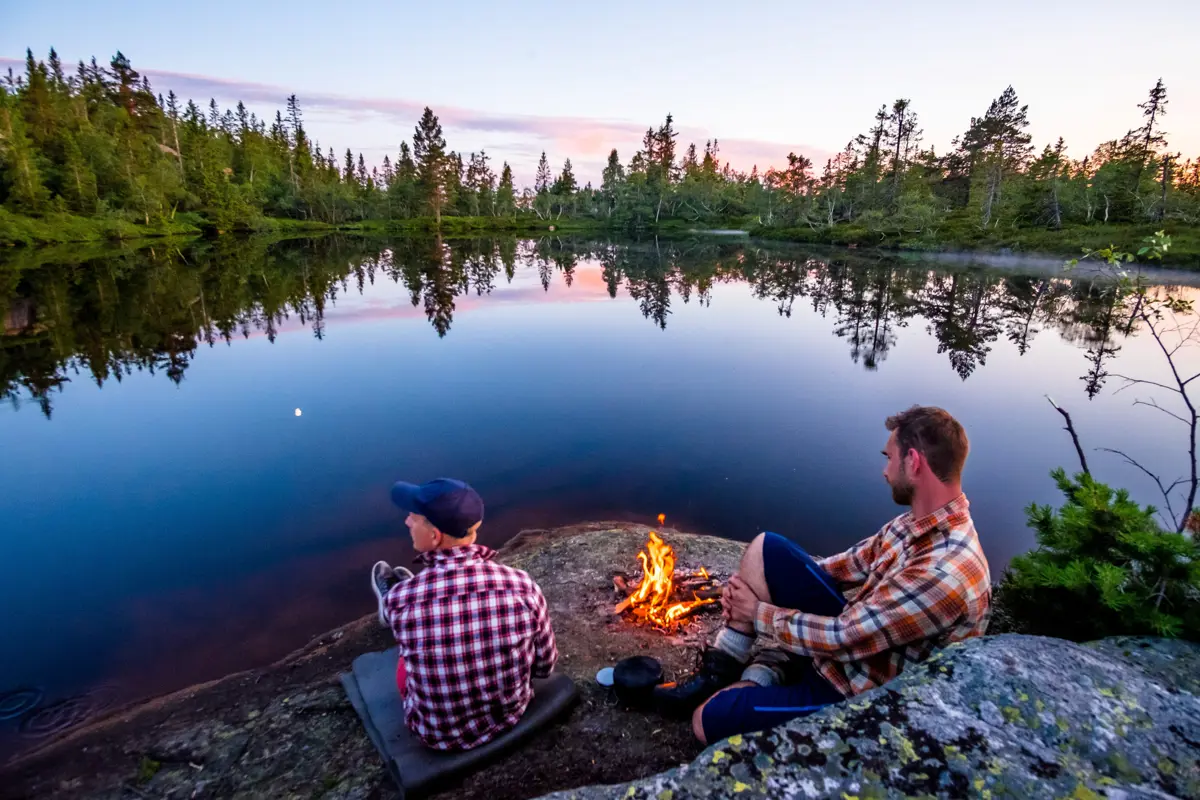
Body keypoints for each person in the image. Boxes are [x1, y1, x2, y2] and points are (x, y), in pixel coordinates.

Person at [654, 406, 991, 744]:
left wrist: (757, 613)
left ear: (914, 462)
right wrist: (760, 586)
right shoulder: (918, 521)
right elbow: (844, 566)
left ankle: (765, 675)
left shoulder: (943, 572)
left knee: (705, 721)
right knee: (764, 549)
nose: (884, 471)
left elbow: (843, 637)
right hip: (855, 649)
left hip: (860, 691)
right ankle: (723, 672)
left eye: (889, 458)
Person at [371, 477, 559, 751]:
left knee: (405, 660)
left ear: (435, 535)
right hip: (510, 715)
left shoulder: (404, 600)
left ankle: (389, 599)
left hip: (437, 735)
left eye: (413, 517)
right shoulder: (521, 585)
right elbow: (545, 667)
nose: (407, 522)